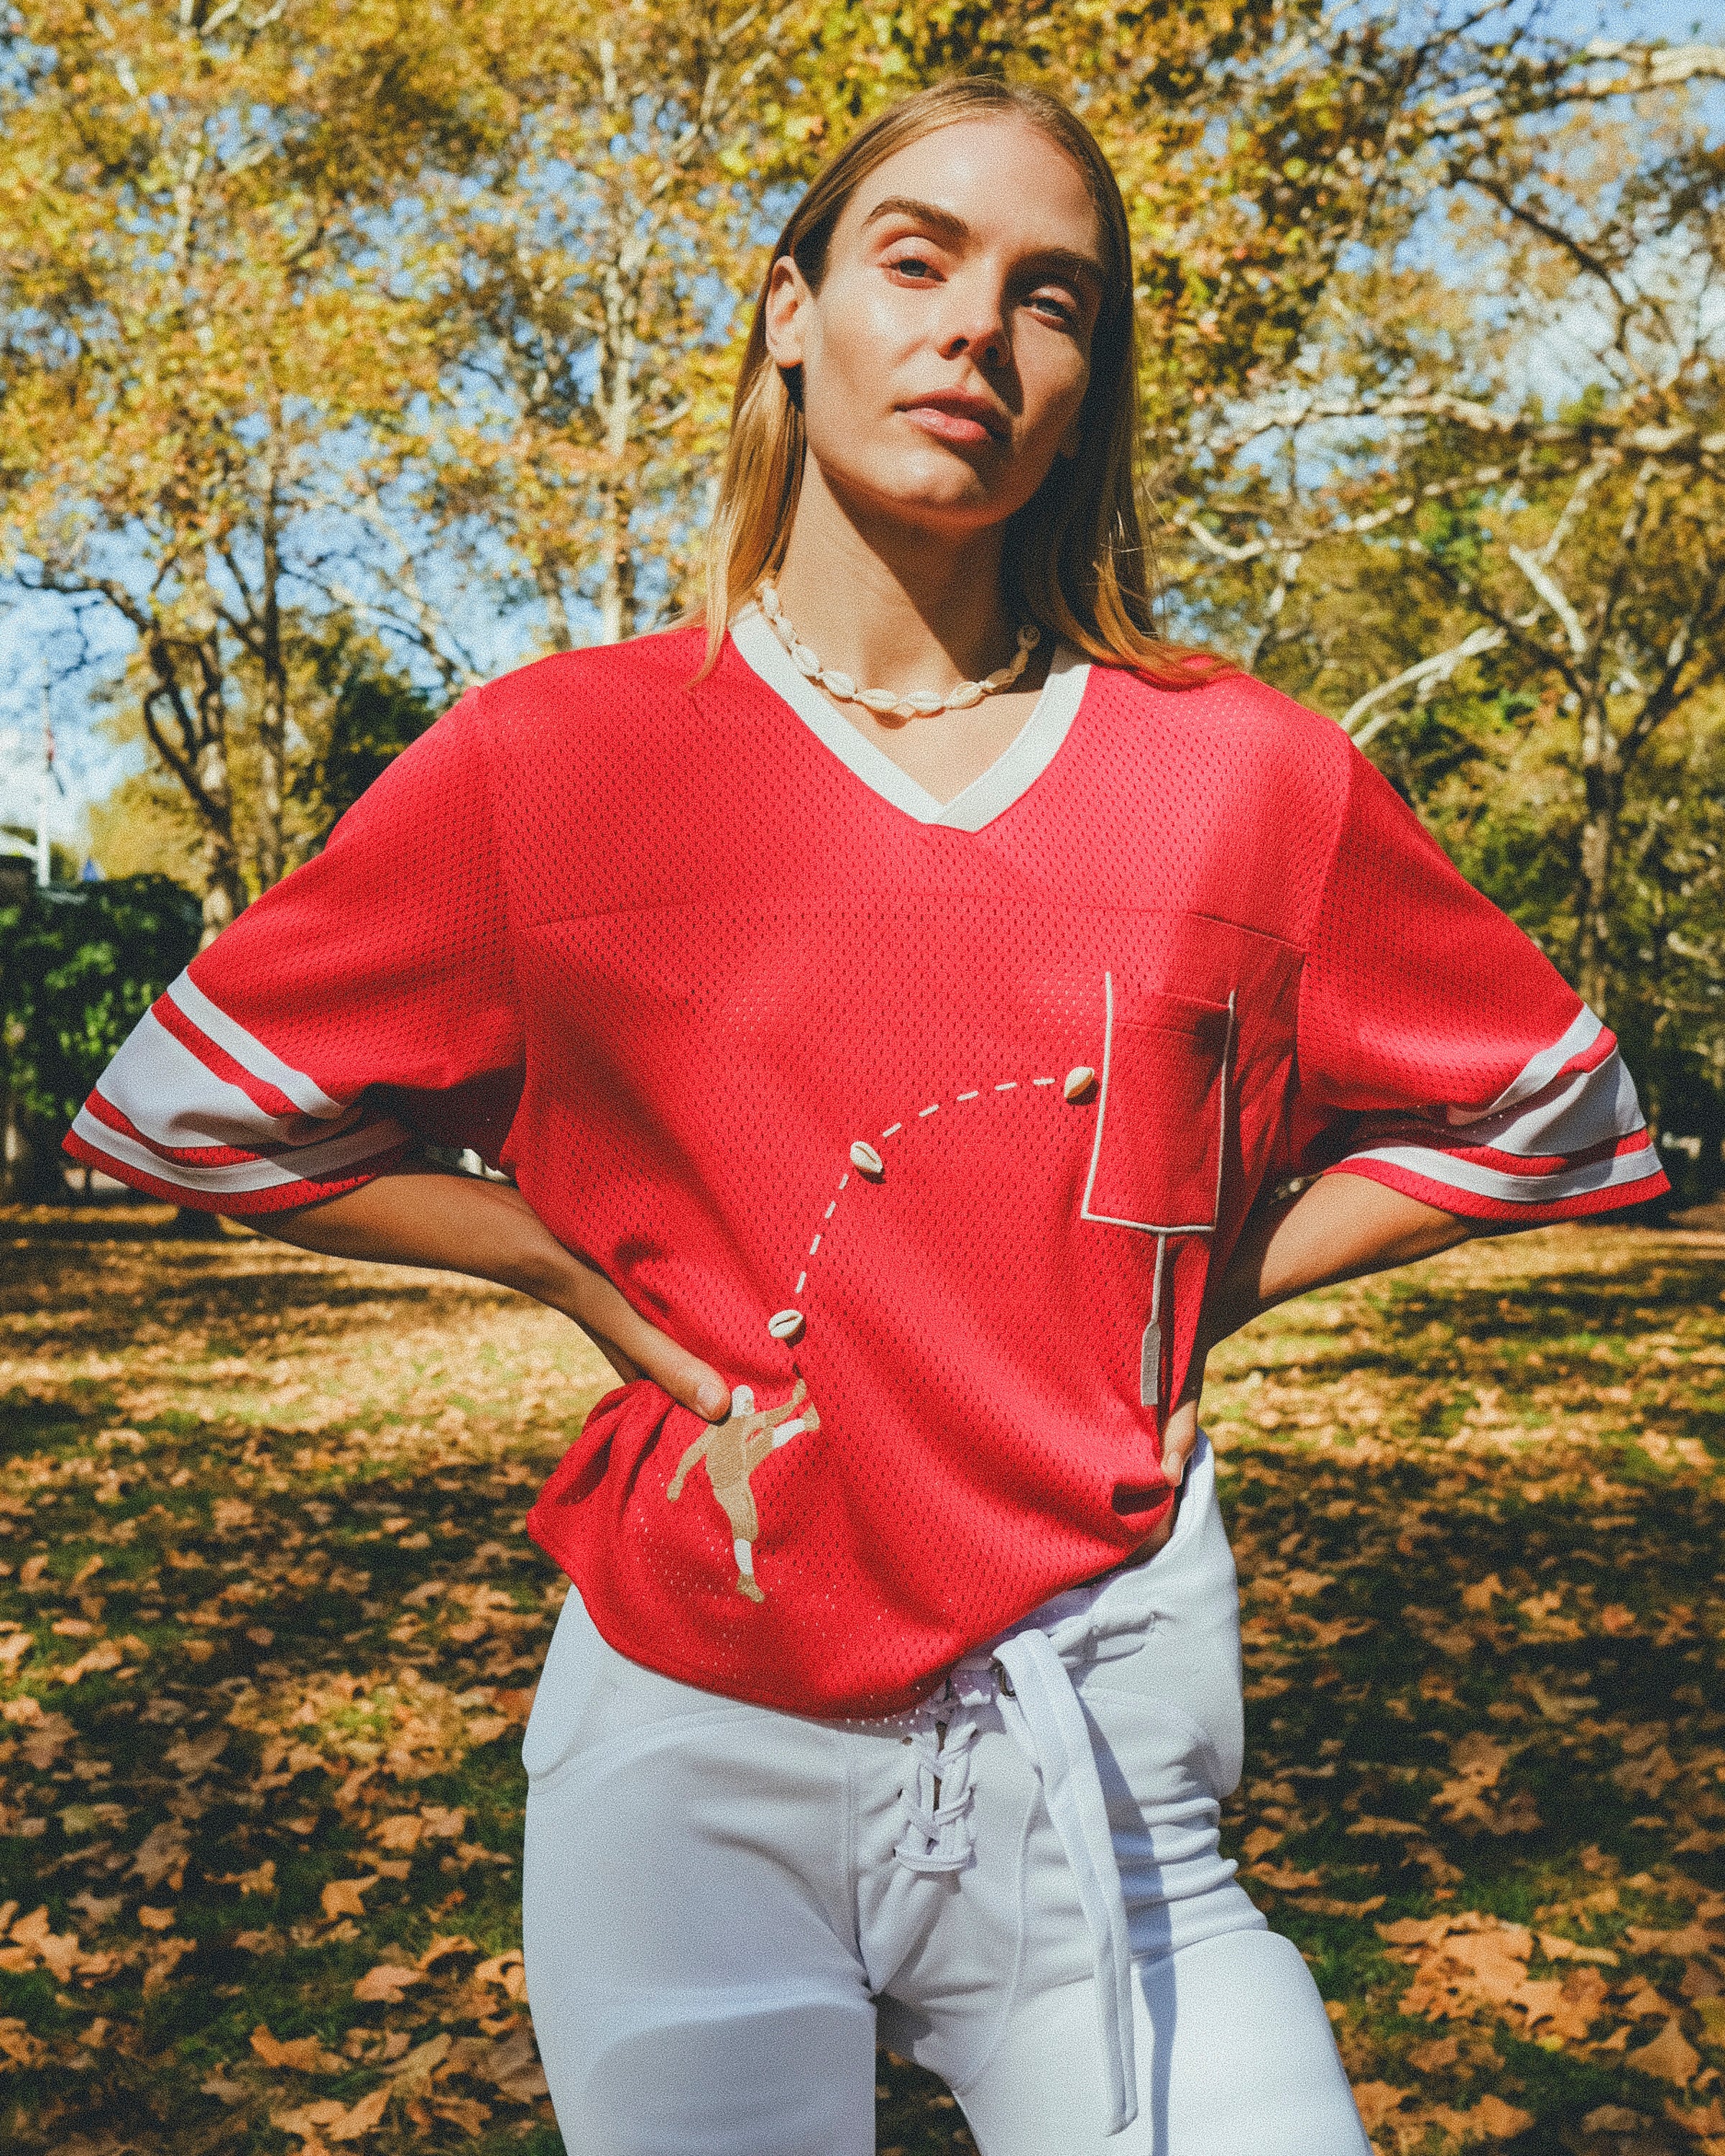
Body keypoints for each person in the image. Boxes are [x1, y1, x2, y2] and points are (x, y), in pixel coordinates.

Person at [68, 76, 1666, 2156]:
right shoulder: (549, 762)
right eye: (916, 260)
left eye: (1052, 298)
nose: (976, 332)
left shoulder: (1249, 778)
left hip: (1102, 1724)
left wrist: (1202, 1303)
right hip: (692, 1725)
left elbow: (1545, 1111)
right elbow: (194, 1111)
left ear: (1087, 389)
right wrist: (561, 1265)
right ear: (789, 311)